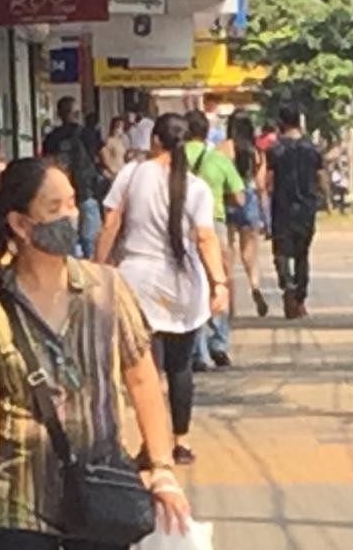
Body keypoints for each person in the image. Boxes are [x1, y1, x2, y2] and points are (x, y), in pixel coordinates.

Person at [0, 158, 193, 550]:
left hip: (103, 490)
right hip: (20, 498)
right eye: (54, 209)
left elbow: (142, 380)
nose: (70, 217)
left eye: (72, 204)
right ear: (20, 225)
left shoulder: (106, 289)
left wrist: (162, 469)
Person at [95, 114, 230, 464]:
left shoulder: (132, 174)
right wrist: (219, 283)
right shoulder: (196, 187)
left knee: (145, 371)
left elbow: (111, 223)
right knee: (180, 368)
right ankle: (180, 441)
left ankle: (151, 446)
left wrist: (97, 267)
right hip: (184, 284)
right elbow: (205, 237)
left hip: (136, 281)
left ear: (155, 140)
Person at [182, 111, 245, 372]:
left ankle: (198, 350)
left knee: (192, 285)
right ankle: (218, 341)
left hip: (182, 227)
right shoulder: (219, 160)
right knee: (217, 281)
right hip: (213, 225)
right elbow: (240, 198)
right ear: (207, 132)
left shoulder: (173, 159)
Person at [265, 105, 324, 319]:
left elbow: (268, 181)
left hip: (282, 206)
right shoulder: (313, 148)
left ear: (281, 123)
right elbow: (320, 178)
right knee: (302, 253)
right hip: (306, 207)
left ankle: (287, 283)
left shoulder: (275, 150)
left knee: (281, 251)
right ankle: (300, 296)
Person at [217, 109, 271, 319]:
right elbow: (260, 185)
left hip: (228, 197)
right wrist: (265, 216)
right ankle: (255, 285)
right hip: (249, 199)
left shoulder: (222, 149)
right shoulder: (257, 152)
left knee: (228, 251)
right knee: (249, 251)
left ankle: (230, 304)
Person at [41, 96, 103, 258]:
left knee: (67, 240)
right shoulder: (88, 134)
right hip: (87, 190)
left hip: (61, 193)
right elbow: (98, 157)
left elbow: (47, 163)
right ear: (76, 113)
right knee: (90, 241)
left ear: (59, 114)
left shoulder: (52, 138)